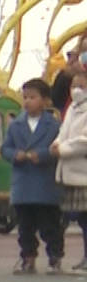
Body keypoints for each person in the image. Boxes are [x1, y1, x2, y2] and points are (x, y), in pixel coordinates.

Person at [1, 78, 63, 275]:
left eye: (33, 97)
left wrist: (43, 154)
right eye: (25, 97)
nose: (27, 101)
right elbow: (5, 148)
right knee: (25, 227)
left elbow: (58, 147)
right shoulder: (15, 124)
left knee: (50, 225)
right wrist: (14, 155)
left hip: (46, 183)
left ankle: (55, 257)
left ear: (45, 101)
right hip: (23, 183)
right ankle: (28, 258)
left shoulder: (53, 125)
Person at [55, 80, 87, 270]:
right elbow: (63, 132)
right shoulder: (73, 108)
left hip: (83, 173)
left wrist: (63, 149)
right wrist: (56, 143)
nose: (76, 89)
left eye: (82, 85)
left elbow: (84, 140)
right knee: (81, 219)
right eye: (73, 85)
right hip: (71, 173)